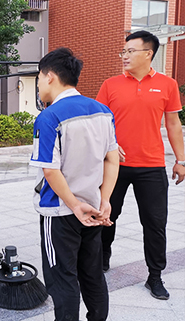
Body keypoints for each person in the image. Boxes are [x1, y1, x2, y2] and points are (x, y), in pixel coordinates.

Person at [31, 48, 119, 321]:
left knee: (62, 276)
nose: (39, 85)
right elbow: (112, 159)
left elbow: (50, 171)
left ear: (51, 76)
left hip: (60, 212)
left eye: (39, 78)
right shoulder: (103, 111)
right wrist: (104, 200)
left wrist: (73, 205)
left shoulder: (49, 117)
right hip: (93, 209)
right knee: (91, 271)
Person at [96, 30, 185, 300]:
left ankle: (155, 276)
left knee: (155, 223)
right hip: (115, 166)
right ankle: (101, 261)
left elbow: (173, 124)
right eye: (123, 51)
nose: (124, 56)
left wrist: (181, 160)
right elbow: (99, 122)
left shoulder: (167, 85)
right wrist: (109, 143)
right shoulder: (110, 85)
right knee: (106, 217)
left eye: (130, 51)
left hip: (152, 166)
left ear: (148, 53)